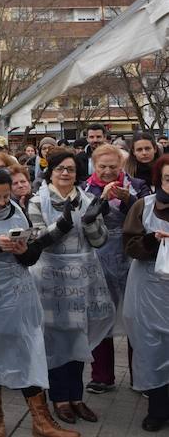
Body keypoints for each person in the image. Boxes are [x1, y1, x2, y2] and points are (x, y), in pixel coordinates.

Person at [0, 169, 80, 437]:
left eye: (6, 196)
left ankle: (41, 420)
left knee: (27, 351)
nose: (1, 202)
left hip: (17, 296)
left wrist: (24, 250)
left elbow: (31, 256)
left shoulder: (17, 211)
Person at [27, 149, 114, 425]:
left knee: (79, 336)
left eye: (71, 169)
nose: (65, 173)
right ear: (50, 171)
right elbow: (38, 239)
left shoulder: (87, 199)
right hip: (49, 278)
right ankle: (59, 399)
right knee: (53, 339)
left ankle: (76, 397)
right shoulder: (36, 201)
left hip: (83, 278)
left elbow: (100, 241)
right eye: (60, 168)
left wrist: (90, 222)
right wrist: (62, 225)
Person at [79, 144, 148, 395]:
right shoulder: (86, 188)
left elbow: (146, 216)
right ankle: (102, 376)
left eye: (113, 166)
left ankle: (140, 375)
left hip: (132, 255)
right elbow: (85, 220)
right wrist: (103, 200)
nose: (108, 171)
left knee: (136, 316)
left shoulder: (137, 184)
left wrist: (129, 199)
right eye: (102, 166)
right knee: (100, 314)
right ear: (94, 166)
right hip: (100, 256)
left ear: (121, 166)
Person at [121, 154, 169, 432]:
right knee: (151, 348)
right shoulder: (144, 206)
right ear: (159, 179)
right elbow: (129, 246)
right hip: (149, 289)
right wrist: (151, 241)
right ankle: (157, 408)